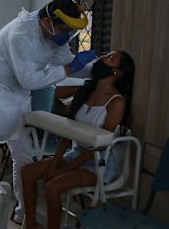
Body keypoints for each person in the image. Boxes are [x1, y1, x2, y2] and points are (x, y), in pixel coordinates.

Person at [0, 0, 95, 225]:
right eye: (66, 30)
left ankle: (23, 212)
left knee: (23, 158)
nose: (67, 36)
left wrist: (96, 70)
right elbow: (28, 79)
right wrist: (69, 67)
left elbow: (68, 63)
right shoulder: (20, 35)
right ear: (47, 21)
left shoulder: (54, 34)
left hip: (18, 100)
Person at [22, 50, 135, 229]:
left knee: (53, 187)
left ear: (117, 73)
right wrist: (55, 163)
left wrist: (64, 169)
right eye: (105, 55)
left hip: (99, 162)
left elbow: (100, 146)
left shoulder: (116, 102)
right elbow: (69, 132)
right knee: (28, 172)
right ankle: (31, 224)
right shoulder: (85, 92)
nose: (103, 58)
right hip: (76, 153)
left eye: (110, 59)